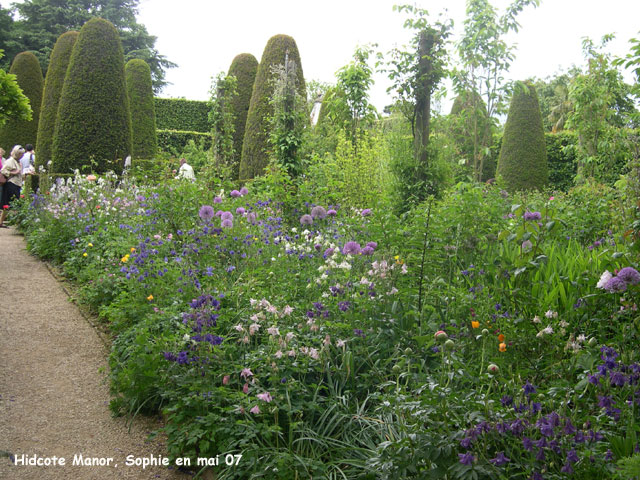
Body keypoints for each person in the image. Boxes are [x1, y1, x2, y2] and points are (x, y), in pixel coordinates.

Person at [0, 145, 25, 228]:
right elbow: (3, 170)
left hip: (15, 184)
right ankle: (18, 223)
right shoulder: (10, 161)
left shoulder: (17, 161)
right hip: (11, 184)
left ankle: (1, 222)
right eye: (20, 154)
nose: (22, 155)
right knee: (13, 204)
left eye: (22, 154)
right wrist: (14, 172)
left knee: (9, 205)